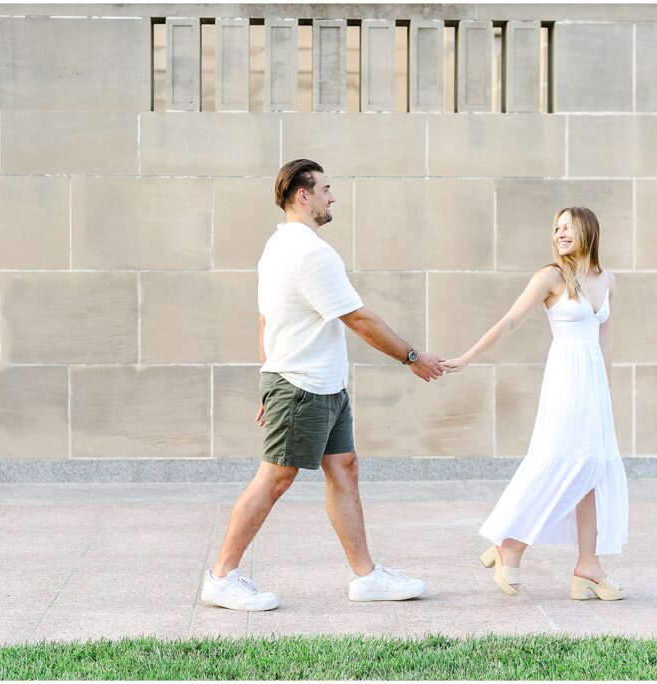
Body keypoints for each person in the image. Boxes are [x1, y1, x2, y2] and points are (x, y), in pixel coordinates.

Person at [200, 159, 445, 611]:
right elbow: (357, 317)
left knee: (344, 468)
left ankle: (366, 577)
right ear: (302, 195)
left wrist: (267, 377)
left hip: (320, 384)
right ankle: (221, 576)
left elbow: (267, 320)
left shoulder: (278, 247)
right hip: (302, 386)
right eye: (326, 189)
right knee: (275, 478)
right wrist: (412, 357)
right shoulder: (311, 253)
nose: (333, 197)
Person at [442, 206, 628, 601]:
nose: (559, 234)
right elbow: (510, 321)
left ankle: (587, 566)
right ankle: (511, 544)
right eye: (556, 228)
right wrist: (468, 357)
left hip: (593, 387)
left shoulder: (607, 280)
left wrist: (606, 395)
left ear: (588, 231)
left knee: (592, 469)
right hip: (565, 381)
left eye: (567, 227)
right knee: (558, 461)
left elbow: (606, 341)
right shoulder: (552, 277)